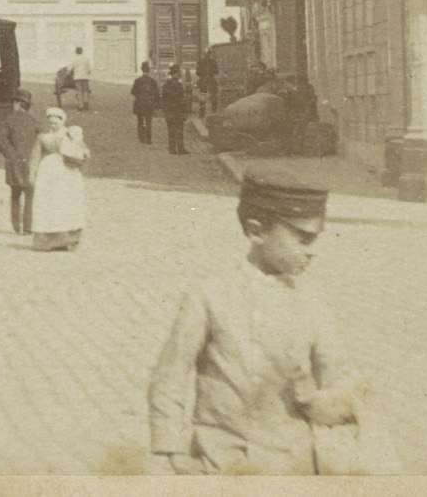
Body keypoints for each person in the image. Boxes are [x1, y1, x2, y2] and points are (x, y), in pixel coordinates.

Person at [147, 167, 375, 475]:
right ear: (256, 231)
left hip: (293, 461)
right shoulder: (210, 295)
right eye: (303, 240)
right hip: (220, 458)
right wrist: (172, 450)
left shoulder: (312, 301)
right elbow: (170, 375)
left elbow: (339, 373)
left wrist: (330, 401)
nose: (312, 253)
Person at [31, 107, 90, 251]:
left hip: (67, 171)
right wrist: (32, 173)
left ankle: (68, 239)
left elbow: (83, 151)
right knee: (49, 203)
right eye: (50, 122)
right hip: (48, 172)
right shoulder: (43, 137)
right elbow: (35, 156)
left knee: (66, 202)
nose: (53, 125)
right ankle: (48, 240)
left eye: (56, 122)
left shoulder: (70, 134)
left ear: (62, 121)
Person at [0, 90, 41, 236]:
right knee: (30, 196)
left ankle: (16, 226)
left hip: (14, 164)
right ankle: (28, 227)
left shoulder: (9, 120)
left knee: (15, 196)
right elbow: (39, 142)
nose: (13, 105)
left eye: (14, 102)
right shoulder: (34, 121)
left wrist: (11, 156)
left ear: (19, 104)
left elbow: (2, 141)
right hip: (30, 164)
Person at [162, 68, 193, 156]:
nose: (179, 75)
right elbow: (181, 99)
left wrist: (165, 110)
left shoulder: (166, 85)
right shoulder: (179, 85)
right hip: (177, 111)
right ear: (175, 74)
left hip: (169, 111)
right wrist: (184, 111)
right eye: (178, 73)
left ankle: (172, 149)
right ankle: (180, 148)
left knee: (171, 130)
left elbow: (163, 99)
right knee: (179, 130)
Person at [134, 61, 161, 146]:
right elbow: (156, 94)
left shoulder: (137, 81)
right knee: (148, 121)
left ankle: (142, 138)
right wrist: (157, 105)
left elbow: (133, 92)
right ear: (149, 70)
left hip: (140, 104)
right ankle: (149, 139)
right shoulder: (153, 81)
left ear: (142, 70)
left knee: (140, 121)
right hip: (149, 104)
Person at [70, 45, 93, 110]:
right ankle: (86, 102)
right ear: (82, 51)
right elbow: (89, 69)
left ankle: (81, 105)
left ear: (76, 52)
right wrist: (87, 73)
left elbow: (71, 69)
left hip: (77, 77)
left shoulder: (74, 59)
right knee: (85, 90)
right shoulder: (86, 59)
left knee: (79, 91)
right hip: (85, 77)